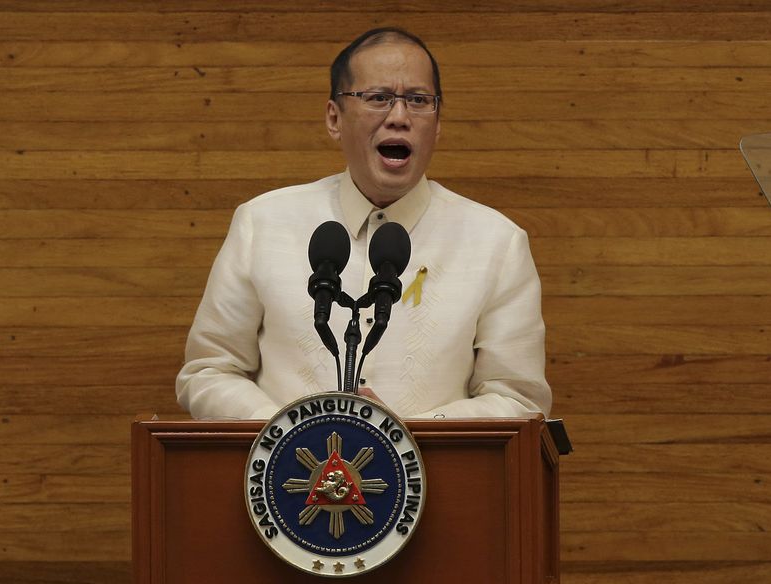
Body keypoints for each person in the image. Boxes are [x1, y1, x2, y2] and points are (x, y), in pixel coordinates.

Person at [176, 28, 551, 420]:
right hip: (283, 476)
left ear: (438, 123)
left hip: (435, 480)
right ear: (334, 118)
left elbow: (518, 399)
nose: (400, 117)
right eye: (378, 99)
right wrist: (288, 436)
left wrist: (401, 439)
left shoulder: (497, 243)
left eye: (419, 101)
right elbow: (209, 371)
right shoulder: (263, 223)